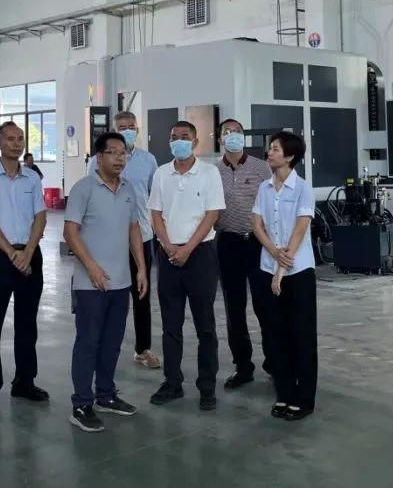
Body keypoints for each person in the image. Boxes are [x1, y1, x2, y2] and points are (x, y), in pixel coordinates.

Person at [64, 132, 149, 432]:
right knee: (88, 343)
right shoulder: (83, 188)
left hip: (121, 282)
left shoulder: (129, 189)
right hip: (90, 284)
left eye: (123, 152)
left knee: (112, 343)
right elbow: (70, 232)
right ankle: (81, 404)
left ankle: (106, 395)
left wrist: (141, 268)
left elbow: (134, 229)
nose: (119, 158)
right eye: (112, 152)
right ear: (99, 157)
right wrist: (92, 268)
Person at [0, 121, 49, 414]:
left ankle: (25, 382)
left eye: (21, 139)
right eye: (11, 139)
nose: (17, 144)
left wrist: (28, 251)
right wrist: (12, 253)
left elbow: (40, 216)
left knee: (27, 323)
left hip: (29, 254)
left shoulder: (32, 177)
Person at [147, 120, 225, 410]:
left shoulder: (209, 173)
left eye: (184, 136)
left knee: (205, 326)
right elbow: (155, 214)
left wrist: (188, 248)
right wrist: (168, 246)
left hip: (200, 255)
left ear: (195, 142)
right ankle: (172, 382)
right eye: (173, 137)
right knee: (171, 325)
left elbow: (212, 214)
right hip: (168, 256)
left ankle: (207, 387)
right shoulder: (161, 173)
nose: (178, 141)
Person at [87, 111, 161, 369]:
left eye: (131, 126)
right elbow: (90, 194)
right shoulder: (96, 161)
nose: (127, 130)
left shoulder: (148, 160)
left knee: (141, 295)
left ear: (137, 129)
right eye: (122, 127)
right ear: (113, 129)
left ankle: (143, 349)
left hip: (142, 236)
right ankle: (100, 346)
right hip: (108, 238)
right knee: (105, 293)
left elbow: (154, 196)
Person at [251, 131, 317, 420]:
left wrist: (282, 267)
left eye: (276, 149)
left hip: (297, 270)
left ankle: (304, 398)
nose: (270, 152)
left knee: (302, 335)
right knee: (276, 335)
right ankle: (284, 393)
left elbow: (300, 230)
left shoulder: (303, 188)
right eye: (270, 148)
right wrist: (273, 253)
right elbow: (257, 224)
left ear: (289, 156)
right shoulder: (264, 188)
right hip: (269, 266)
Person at [213, 118, 273, 389]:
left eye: (237, 131)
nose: (233, 136)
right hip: (228, 243)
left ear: (244, 136)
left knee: (265, 305)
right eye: (227, 132)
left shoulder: (261, 167)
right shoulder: (213, 172)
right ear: (220, 139)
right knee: (234, 309)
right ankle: (243, 366)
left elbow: (273, 203)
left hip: (258, 243)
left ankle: (274, 361)